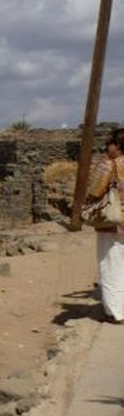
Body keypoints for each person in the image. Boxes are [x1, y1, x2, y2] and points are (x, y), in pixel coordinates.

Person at [87, 127, 124, 323]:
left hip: (113, 223)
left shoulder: (109, 165)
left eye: (109, 144)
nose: (107, 148)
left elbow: (94, 190)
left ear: (117, 145)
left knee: (111, 266)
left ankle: (116, 312)